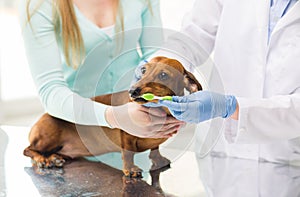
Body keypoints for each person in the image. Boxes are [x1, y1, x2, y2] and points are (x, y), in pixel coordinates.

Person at [144, 0, 300, 163]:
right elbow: (193, 34)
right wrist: (159, 65)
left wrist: (232, 107)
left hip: (286, 158)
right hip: (219, 150)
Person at [19, 0, 183, 139]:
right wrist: (115, 117)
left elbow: (154, 58)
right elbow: (50, 91)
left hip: (135, 136)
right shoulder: (39, 5)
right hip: (74, 137)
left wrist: (176, 100)